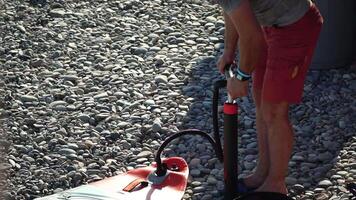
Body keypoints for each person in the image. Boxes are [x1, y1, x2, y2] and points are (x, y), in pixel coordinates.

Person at [214, 0, 323, 195]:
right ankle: (262, 172)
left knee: (274, 110)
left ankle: (276, 184)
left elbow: (251, 37)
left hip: (295, 26)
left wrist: (241, 76)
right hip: (268, 26)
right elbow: (232, 9)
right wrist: (229, 50)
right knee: (261, 101)